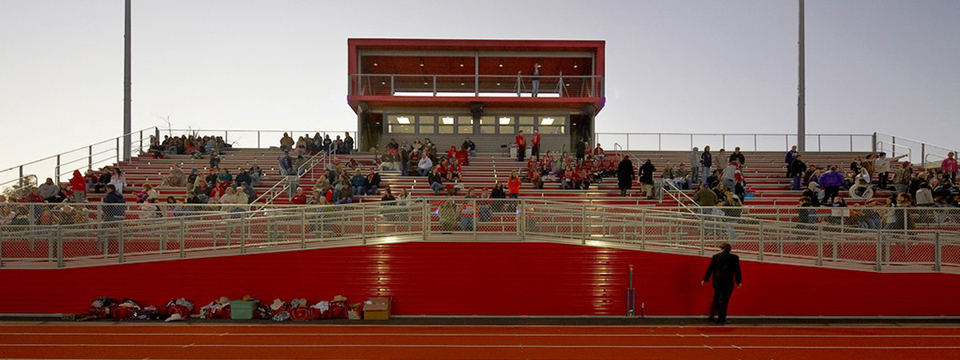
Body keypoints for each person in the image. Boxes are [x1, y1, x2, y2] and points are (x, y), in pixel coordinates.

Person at [701, 242, 742, 325]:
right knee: (724, 300)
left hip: (717, 281)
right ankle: (721, 318)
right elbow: (737, 270)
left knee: (716, 297)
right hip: (727, 281)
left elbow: (710, 269)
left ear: (721, 248)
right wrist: (738, 281)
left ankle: (712, 315)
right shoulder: (734, 257)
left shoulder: (716, 257)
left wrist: (705, 279)